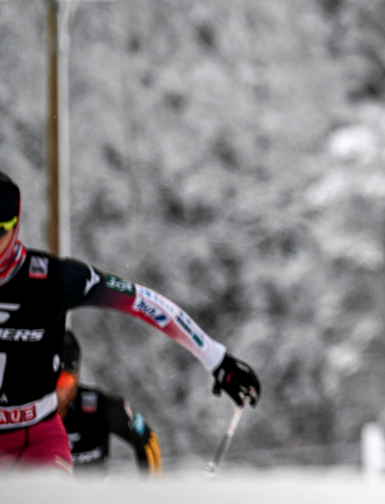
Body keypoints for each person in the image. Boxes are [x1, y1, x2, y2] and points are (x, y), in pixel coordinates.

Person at [0, 171, 260, 472]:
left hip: (36, 438)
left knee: (45, 502)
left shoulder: (52, 278)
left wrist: (217, 358)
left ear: (15, 226)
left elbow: (142, 301)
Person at [56, 330, 161, 474]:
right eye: (45, 380)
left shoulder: (100, 406)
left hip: (94, 488)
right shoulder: (29, 411)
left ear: (76, 378)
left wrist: (151, 486)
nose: (54, 390)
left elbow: (147, 440)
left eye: (63, 380)